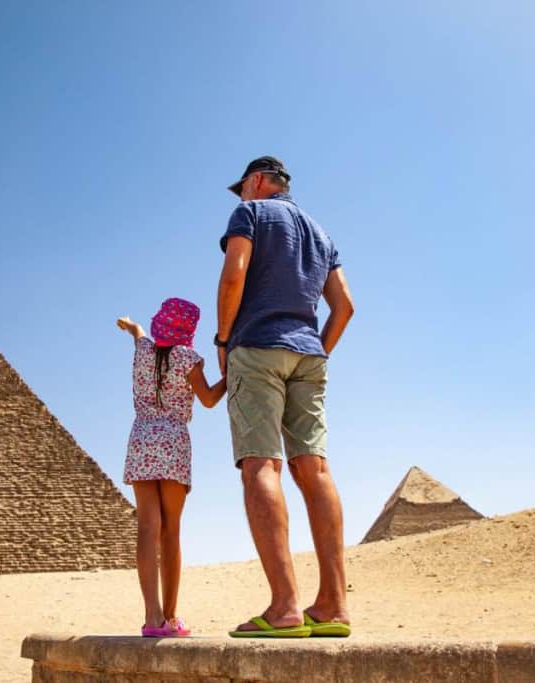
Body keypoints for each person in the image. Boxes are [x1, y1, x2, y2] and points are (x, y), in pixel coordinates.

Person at [216, 156, 355, 638]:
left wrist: (222, 341)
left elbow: (233, 275)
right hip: (308, 354)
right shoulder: (320, 233)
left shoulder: (250, 213)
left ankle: (284, 607)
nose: (241, 196)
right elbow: (345, 306)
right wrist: (318, 350)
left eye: (242, 187)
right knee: (315, 469)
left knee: (261, 465)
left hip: (257, 346)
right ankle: (333, 605)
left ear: (256, 181)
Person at [117, 298, 226, 637]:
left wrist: (131, 325)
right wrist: (230, 375)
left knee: (147, 527)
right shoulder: (187, 358)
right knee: (171, 531)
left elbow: (139, 333)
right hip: (173, 442)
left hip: (141, 439)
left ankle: (152, 617)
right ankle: (172, 617)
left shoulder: (143, 351)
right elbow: (208, 399)